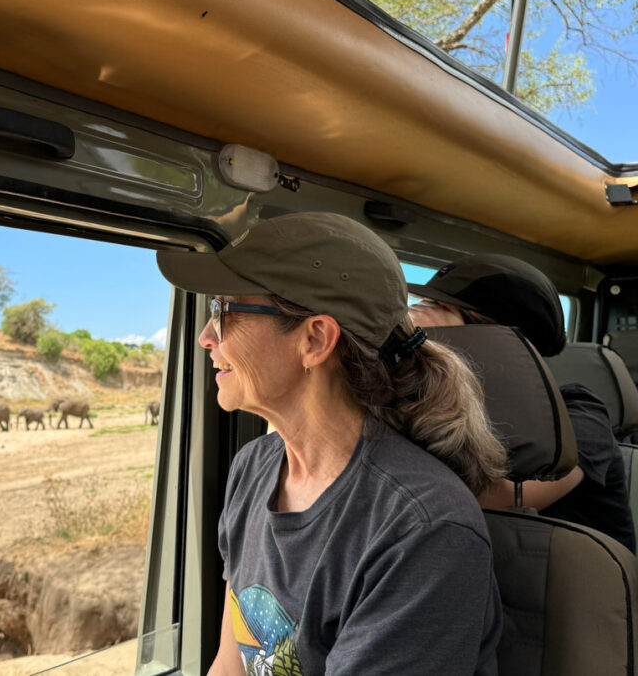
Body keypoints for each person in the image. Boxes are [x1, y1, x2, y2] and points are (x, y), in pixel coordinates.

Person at [156, 212, 507, 676]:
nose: (205, 337)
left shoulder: (424, 526)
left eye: (224, 311)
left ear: (315, 339)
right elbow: (231, 663)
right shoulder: (254, 467)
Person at [408, 254, 636, 551]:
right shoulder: (450, 402)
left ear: (497, 340)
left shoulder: (580, 415)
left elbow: (501, 498)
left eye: (441, 315)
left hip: (569, 588)